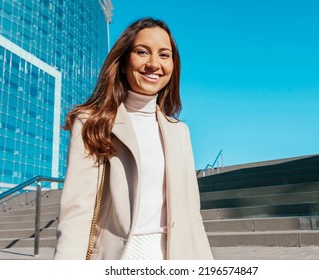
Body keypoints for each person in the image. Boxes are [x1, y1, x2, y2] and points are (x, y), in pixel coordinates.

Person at [53, 18, 213, 260]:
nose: (153, 64)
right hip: (120, 257)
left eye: (164, 55)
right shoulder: (92, 122)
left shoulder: (179, 131)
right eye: (142, 52)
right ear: (124, 62)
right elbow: (77, 213)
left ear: (173, 66)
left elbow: (191, 214)